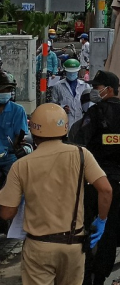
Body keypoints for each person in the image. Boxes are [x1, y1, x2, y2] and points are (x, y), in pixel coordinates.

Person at [0, 104, 112, 285]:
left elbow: (6, 213)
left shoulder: (22, 165)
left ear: (33, 131)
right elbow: (106, 189)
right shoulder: (82, 154)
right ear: (65, 128)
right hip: (73, 244)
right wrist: (101, 220)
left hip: (39, 247)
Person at [72, 70, 120, 285]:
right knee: (109, 230)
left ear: (108, 89)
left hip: (93, 179)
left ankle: (87, 273)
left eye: (97, 87)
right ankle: (101, 276)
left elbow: (80, 142)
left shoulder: (96, 112)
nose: (94, 91)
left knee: (86, 227)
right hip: (117, 181)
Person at [0, 72, 29, 187]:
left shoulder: (18, 110)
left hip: (10, 156)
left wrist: (18, 142)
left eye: (8, 90)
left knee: (17, 187)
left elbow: (20, 134)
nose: (5, 92)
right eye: (2, 90)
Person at [47, 58, 91, 129]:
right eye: (69, 72)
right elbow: (53, 105)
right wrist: (62, 108)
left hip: (81, 121)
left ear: (78, 71)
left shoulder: (85, 86)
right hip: (64, 122)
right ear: (65, 71)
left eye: (74, 72)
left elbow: (89, 106)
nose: (72, 74)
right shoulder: (58, 86)